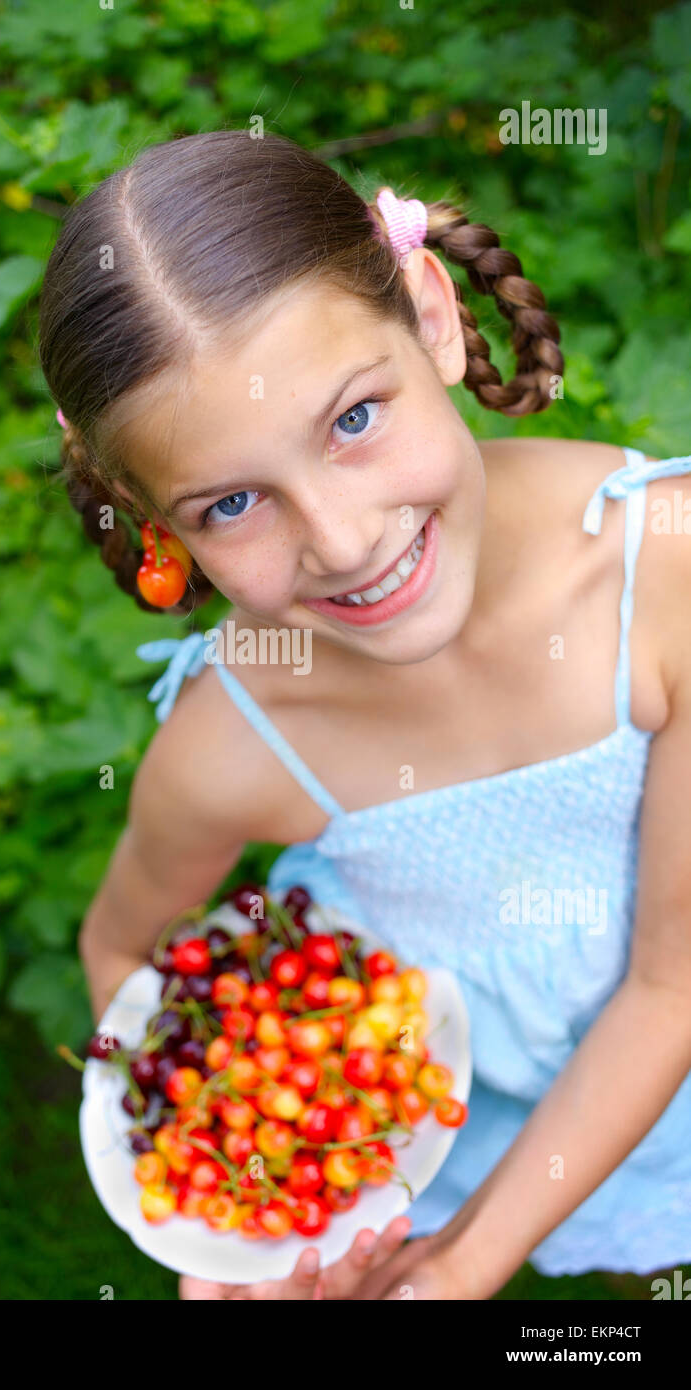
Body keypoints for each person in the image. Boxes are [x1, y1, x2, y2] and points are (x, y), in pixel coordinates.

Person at [38, 128, 691, 1300]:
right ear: (153, 522)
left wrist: (465, 1267)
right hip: (429, 1113)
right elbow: (118, 944)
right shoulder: (230, 746)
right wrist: (240, 1176)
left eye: (351, 420)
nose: (341, 543)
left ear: (431, 315)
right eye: (232, 500)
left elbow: (671, 986)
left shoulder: (667, 578)